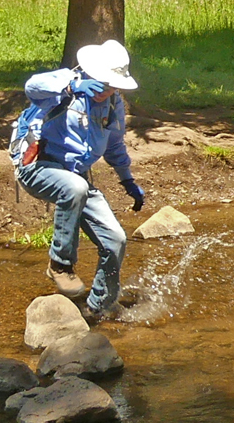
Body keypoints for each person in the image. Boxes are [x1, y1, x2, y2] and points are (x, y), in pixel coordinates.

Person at [10, 39, 144, 323]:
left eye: (113, 85)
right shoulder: (66, 84)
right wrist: (71, 86)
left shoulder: (112, 104)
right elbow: (32, 87)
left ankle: (98, 308)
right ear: (92, 74)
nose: (108, 89)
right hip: (37, 166)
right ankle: (59, 264)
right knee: (75, 187)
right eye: (104, 83)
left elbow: (115, 146)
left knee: (116, 240)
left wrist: (127, 180)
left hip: (75, 177)